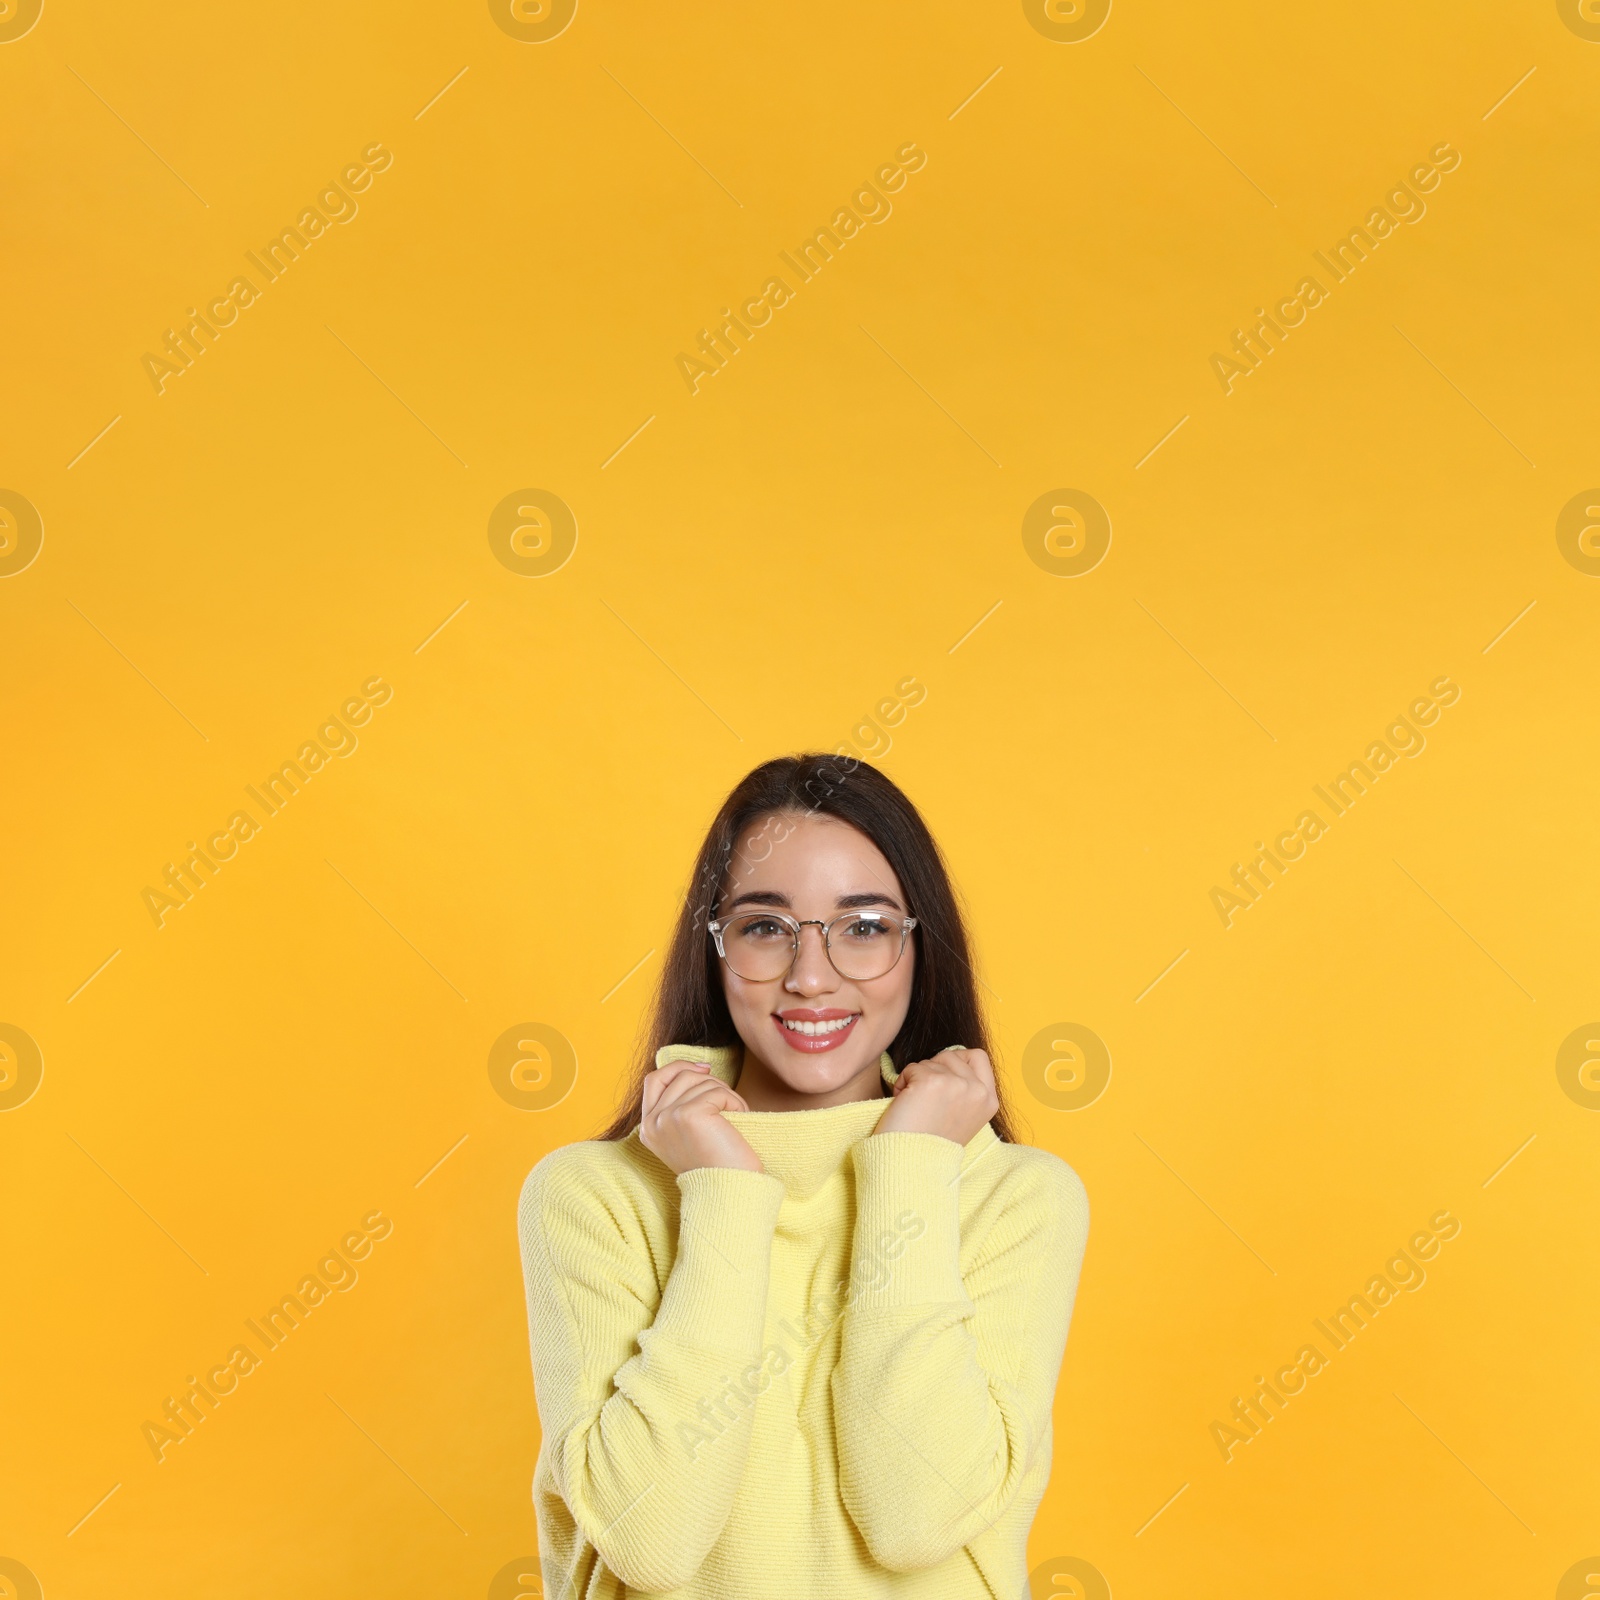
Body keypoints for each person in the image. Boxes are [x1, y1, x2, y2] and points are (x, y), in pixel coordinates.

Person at [517, 753, 1090, 1597]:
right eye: (765, 927)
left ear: (919, 947)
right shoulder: (595, 1195)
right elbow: (652, 1543)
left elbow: (915, 1518)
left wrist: (910, 1167)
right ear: (713, 950)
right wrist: (722, 1193)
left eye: (863, 926)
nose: (811, 977)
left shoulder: (1013, 1197)